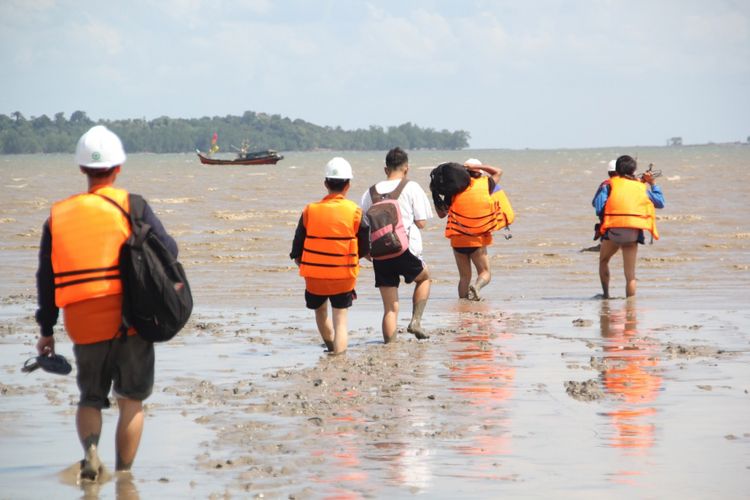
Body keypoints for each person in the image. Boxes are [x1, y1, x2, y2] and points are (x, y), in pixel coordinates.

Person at [35, 125, 178, 481]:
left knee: (90, 398)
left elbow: (46, 278)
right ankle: (125, 475)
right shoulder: (133, 205)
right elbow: (169, 250)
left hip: (83, 322)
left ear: (82, 169)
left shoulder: (58, 216)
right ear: (118, 168)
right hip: (130, 319)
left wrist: (46, 330)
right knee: (131, 400)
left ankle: (91, 453)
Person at [290, 157, 369, 355]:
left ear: (326, 183)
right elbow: (365, 246)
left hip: (314, 275)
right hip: (343, 276)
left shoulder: (310, 210)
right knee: (340, 318)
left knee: (320, 311)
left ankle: (331, 346)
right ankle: (339, 356)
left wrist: (302, 263)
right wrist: (353, 259)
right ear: (348, 185)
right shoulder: (355, 212)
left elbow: (297, 246)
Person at [360, 147, 433, 343]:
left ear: (386, 169)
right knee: (424, 279)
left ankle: (390, 347)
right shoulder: (412, 187)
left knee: (390, 308)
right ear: (406, 169)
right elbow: (422, 223)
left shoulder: (370, 192)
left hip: (380, 254)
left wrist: (366, 252)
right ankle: (416, 321)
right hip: (405, 250)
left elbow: (363, 225)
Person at [593, 155, 665, 298]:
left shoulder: (608, 185)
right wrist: (652, 183)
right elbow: (660, 203)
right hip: (632, 233)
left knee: (603, 260)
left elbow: (598, 208)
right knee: (630, 276)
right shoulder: (640, 187)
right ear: (634, 170)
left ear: (617, 170)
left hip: (613, 232)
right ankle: (630, 309)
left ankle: (606, 295)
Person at [434, 159, 502, 301]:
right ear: (479, 172)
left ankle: (463, 305)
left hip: (458, 241)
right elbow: (498, 171)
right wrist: (478, 166)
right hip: (477, 240)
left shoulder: (453, 191)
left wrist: (435, 196)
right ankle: (476, 288)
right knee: (485, 272)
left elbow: (441, 215)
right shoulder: (486, 184)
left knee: (464, 277)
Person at [591, 159, 619, 241]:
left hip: (608, 226)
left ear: (609, 173)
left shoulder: (606, 185)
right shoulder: (631, 185)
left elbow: (598, 207)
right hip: (629, 226)